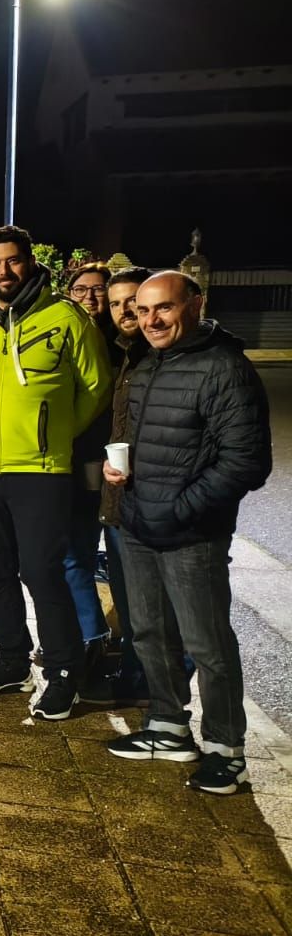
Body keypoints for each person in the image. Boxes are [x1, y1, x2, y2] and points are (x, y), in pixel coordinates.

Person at [104, 271, 271, 794]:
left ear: (194, 305)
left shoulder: (225, 367)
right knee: (150, 633)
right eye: (143, 310)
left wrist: (180, 509)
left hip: (190, 533)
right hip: (137, 523)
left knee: (208, 643)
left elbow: (247, 462)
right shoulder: (150, 361)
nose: (150, 320)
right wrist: (121, 477)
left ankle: (226, 749)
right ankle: (168, 726)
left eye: (163, 309)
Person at [0, 225, 110, 719]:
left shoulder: (65, 317)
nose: (3, 272)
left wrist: (50, 434)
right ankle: (11, 658)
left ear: (30, 263)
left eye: (12, 261)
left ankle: (62, 671)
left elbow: (95, 387)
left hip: (41, 470)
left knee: (42, 572)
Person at [97, 265, 153, 697]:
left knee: (155, 605)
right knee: (130, 597)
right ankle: (135, 677)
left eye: (131, 300)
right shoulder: (126, 354)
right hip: (120, 497)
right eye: (116, 303)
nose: (124, 310)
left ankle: (154, 687)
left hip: (157, 503)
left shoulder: (164, 356)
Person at [63, 262, 118, 693]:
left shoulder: (130, 344)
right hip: (75, 462)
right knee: (73, 553)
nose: (91, 298)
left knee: (121, 562)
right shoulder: (66, 338)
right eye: (81, 289)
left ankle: (130, 652)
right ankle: (91, 636)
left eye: (100, 291)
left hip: (121, 469)